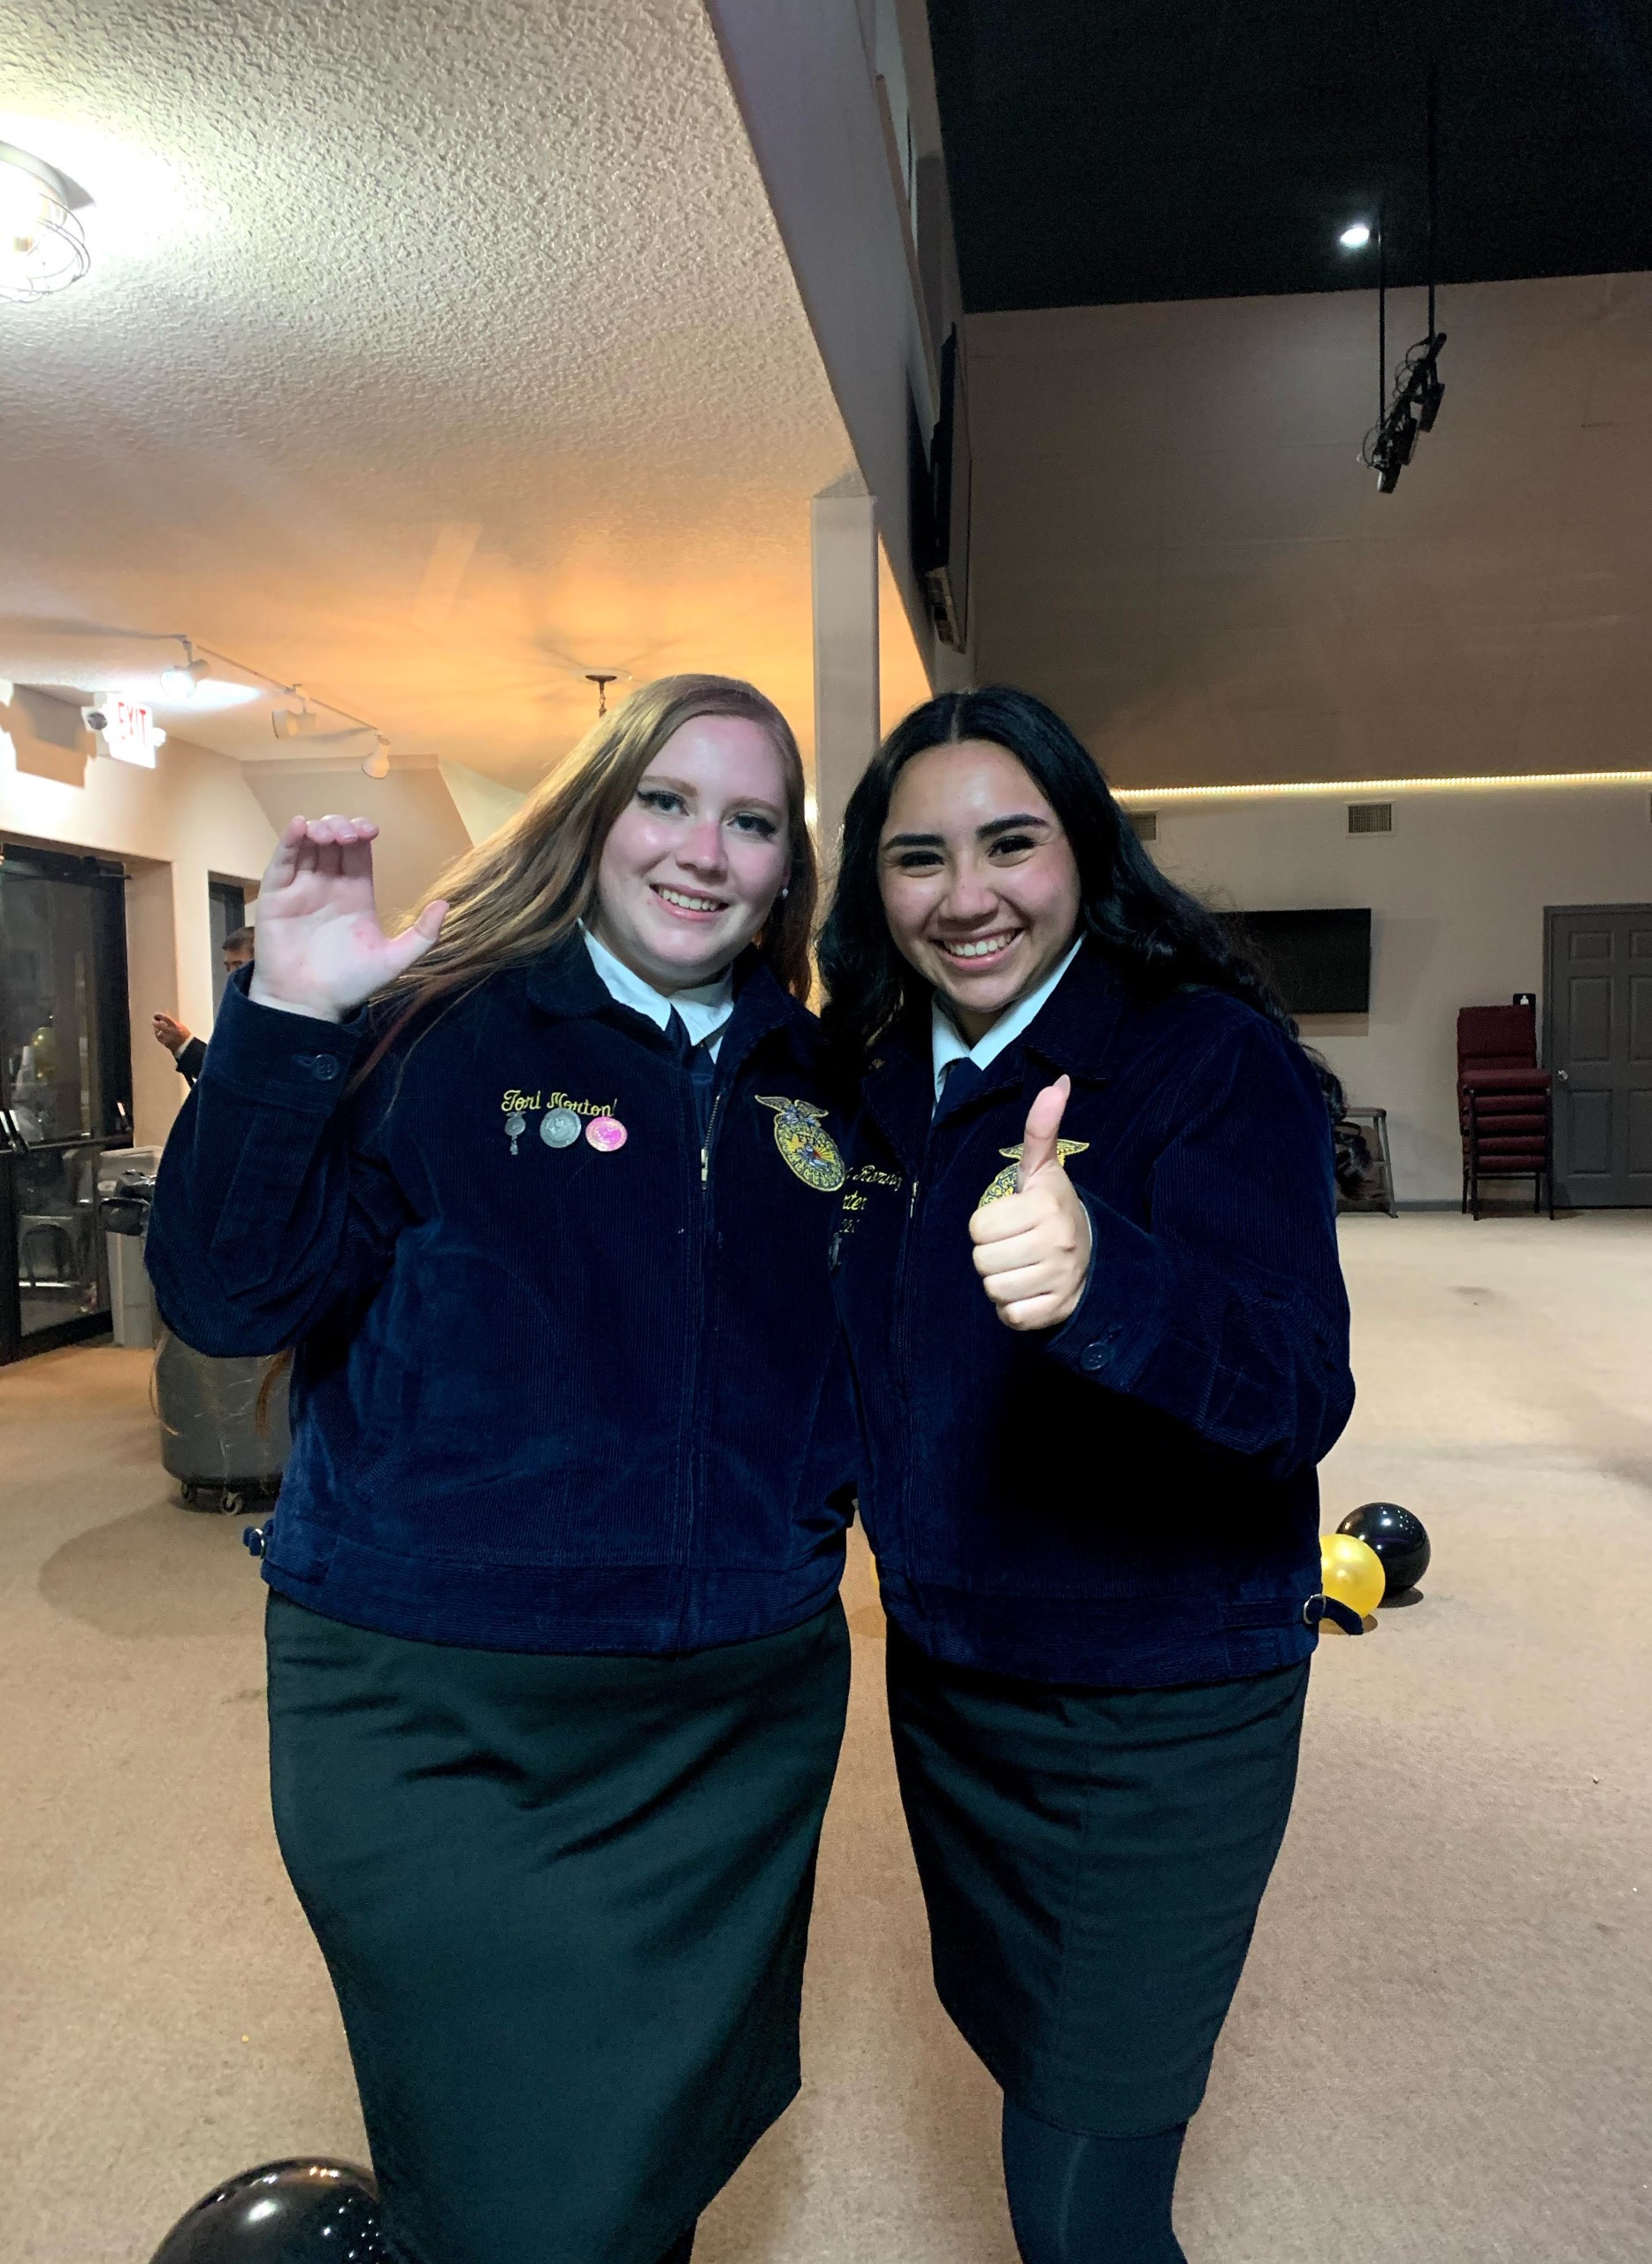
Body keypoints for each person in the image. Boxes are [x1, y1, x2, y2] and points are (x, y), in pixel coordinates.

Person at [145, 677, 858, 2264]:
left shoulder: (824, 1080)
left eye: (752, 821)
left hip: (726, 1719)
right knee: (513, 2191)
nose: (704, 850)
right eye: (667, 800)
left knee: (644, 2162)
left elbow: (875, 1358)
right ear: (597, 816)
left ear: (786, 869)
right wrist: (288, 1019)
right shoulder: (438, 1025)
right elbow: (225, 1294)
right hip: (436, 1709)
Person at [817, 686, 1356, 2264]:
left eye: (1011, 844)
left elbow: (1294, 1393)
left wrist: (1104, 1282)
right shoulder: (863, 1080)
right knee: (1020, 2046)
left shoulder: (1204, 1061)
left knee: (1086, 2185)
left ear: (1084, 851)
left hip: (1162, 1700)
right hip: (954, 1680)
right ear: (872, 883)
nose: (967, 895)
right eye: (919, 857)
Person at [153, 926, 255, 1082]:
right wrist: (182, 1045)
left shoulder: (274, 1017)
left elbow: (237, 1079)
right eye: (228, 967)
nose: (231, 975)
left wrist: (185, 1044)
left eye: (238, 965)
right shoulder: (236, 1013)